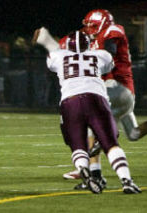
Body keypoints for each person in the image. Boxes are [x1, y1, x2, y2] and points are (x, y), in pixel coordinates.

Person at [33, 9, 147, 189]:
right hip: (120, 96)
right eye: (87, 26)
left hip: (115, 89)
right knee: (133, 134)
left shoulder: (112, 33)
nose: (89, 29)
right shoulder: (88, 41)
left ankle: (93, 175)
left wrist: (52, 43)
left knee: (90, 125)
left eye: (93, 26)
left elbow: (107, 50)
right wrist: (48, 40)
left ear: (103, 24)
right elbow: (70, 48)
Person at [42, 30, 141, 194]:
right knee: (111, 144)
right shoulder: (101, 55)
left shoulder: (58, 56)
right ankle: (127, 181)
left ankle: (84, 170)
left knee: (78, 146)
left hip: (71, 101)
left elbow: (52, 63)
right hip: (96, 99)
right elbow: (108, 66)